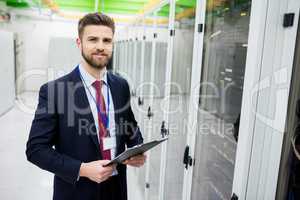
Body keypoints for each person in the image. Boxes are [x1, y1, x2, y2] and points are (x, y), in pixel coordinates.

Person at [26, 12, 146, 200]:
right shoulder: (55, 91)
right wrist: (82, 169)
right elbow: (36, 150)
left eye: (106, 40)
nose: (100, 46)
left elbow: (130, 127)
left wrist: (137, 148)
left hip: (116, 189)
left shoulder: (121, 85)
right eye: (93, 39)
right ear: (79, 43)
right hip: (77, 191)